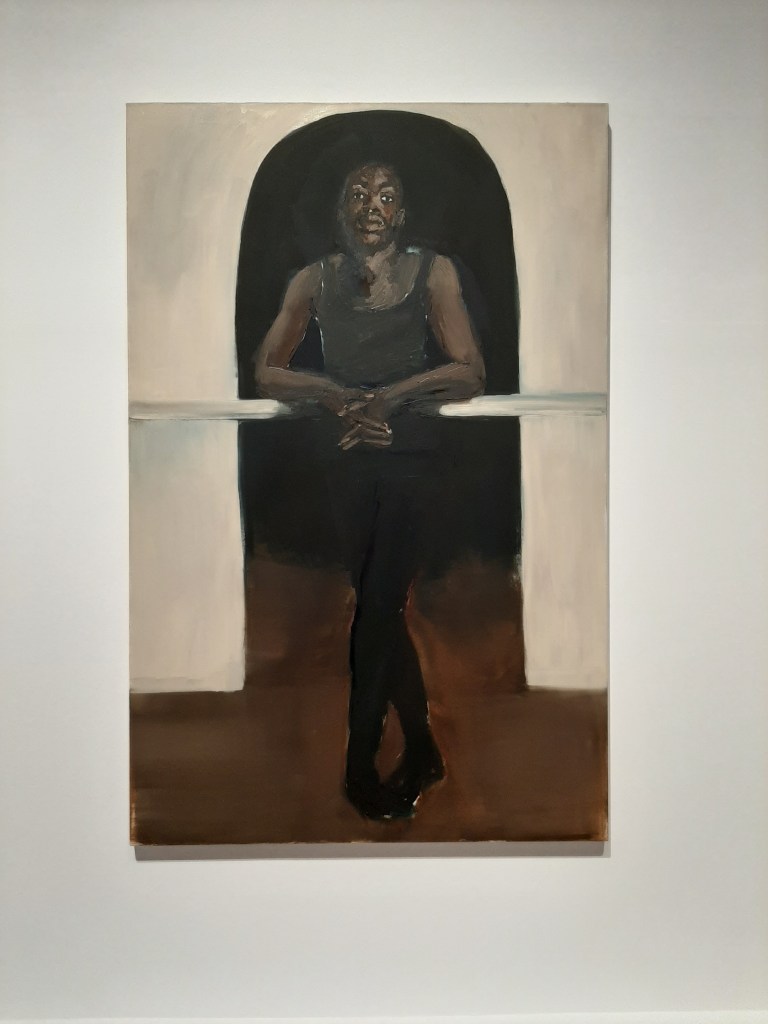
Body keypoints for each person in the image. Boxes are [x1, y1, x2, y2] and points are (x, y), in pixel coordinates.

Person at [255, 162, 485, 820]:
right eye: (358, 194)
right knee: (380, 611)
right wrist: (333, 395)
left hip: (412, 460)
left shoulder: (433, 272)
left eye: (385, 196)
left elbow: (469, 370)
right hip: (348, 461)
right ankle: (424, 749)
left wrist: (393, 397)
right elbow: (267, 371)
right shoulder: (312, 280)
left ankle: (360, 769)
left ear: (401, 213)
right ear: (342, 210)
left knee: (378, 609)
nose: (371, 205)